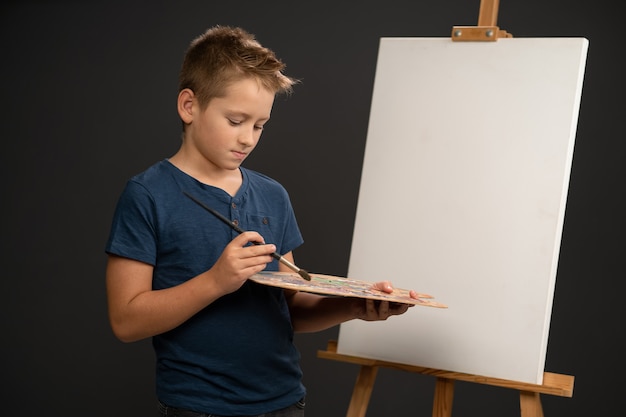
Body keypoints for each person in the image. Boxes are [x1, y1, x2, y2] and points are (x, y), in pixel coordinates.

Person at [105, 25, 418, 417]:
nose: (248, 138)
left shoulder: (273, 195)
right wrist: (215, 282)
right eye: (235, 120)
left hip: (284, 401)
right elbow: (126, 320)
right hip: (198, 407)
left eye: (259, 125)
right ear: (189, 106)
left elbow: (289, 308)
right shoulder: (148, 195)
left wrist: (353, 307)